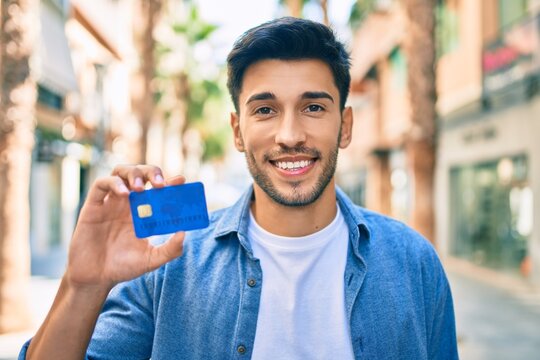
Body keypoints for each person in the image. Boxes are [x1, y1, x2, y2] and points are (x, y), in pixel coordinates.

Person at [21, 17, 458, 360]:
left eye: (313, 107)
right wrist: (83, 287)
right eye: (265, 109)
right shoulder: (171, 264)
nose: (290, 134)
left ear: (344, 126)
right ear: (237, 130)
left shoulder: (413, 262)